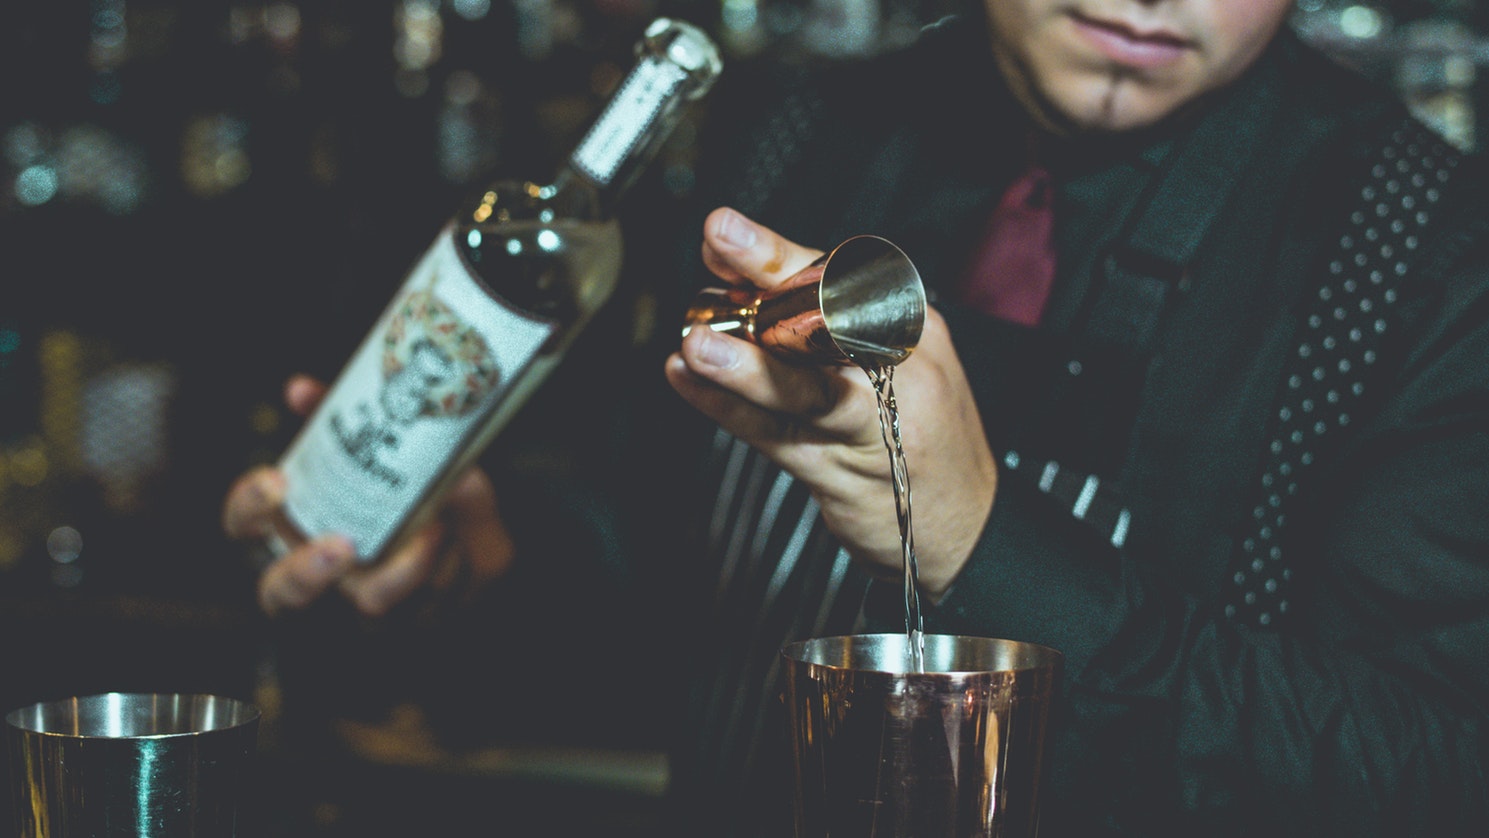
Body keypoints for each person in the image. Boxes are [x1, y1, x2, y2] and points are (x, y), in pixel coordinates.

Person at [222, 0, 1489, 835]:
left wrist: (986, 545)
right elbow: (662, 567)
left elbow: (1430, 765)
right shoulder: (799, 131)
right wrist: (487, 562)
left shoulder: (1420, 251)